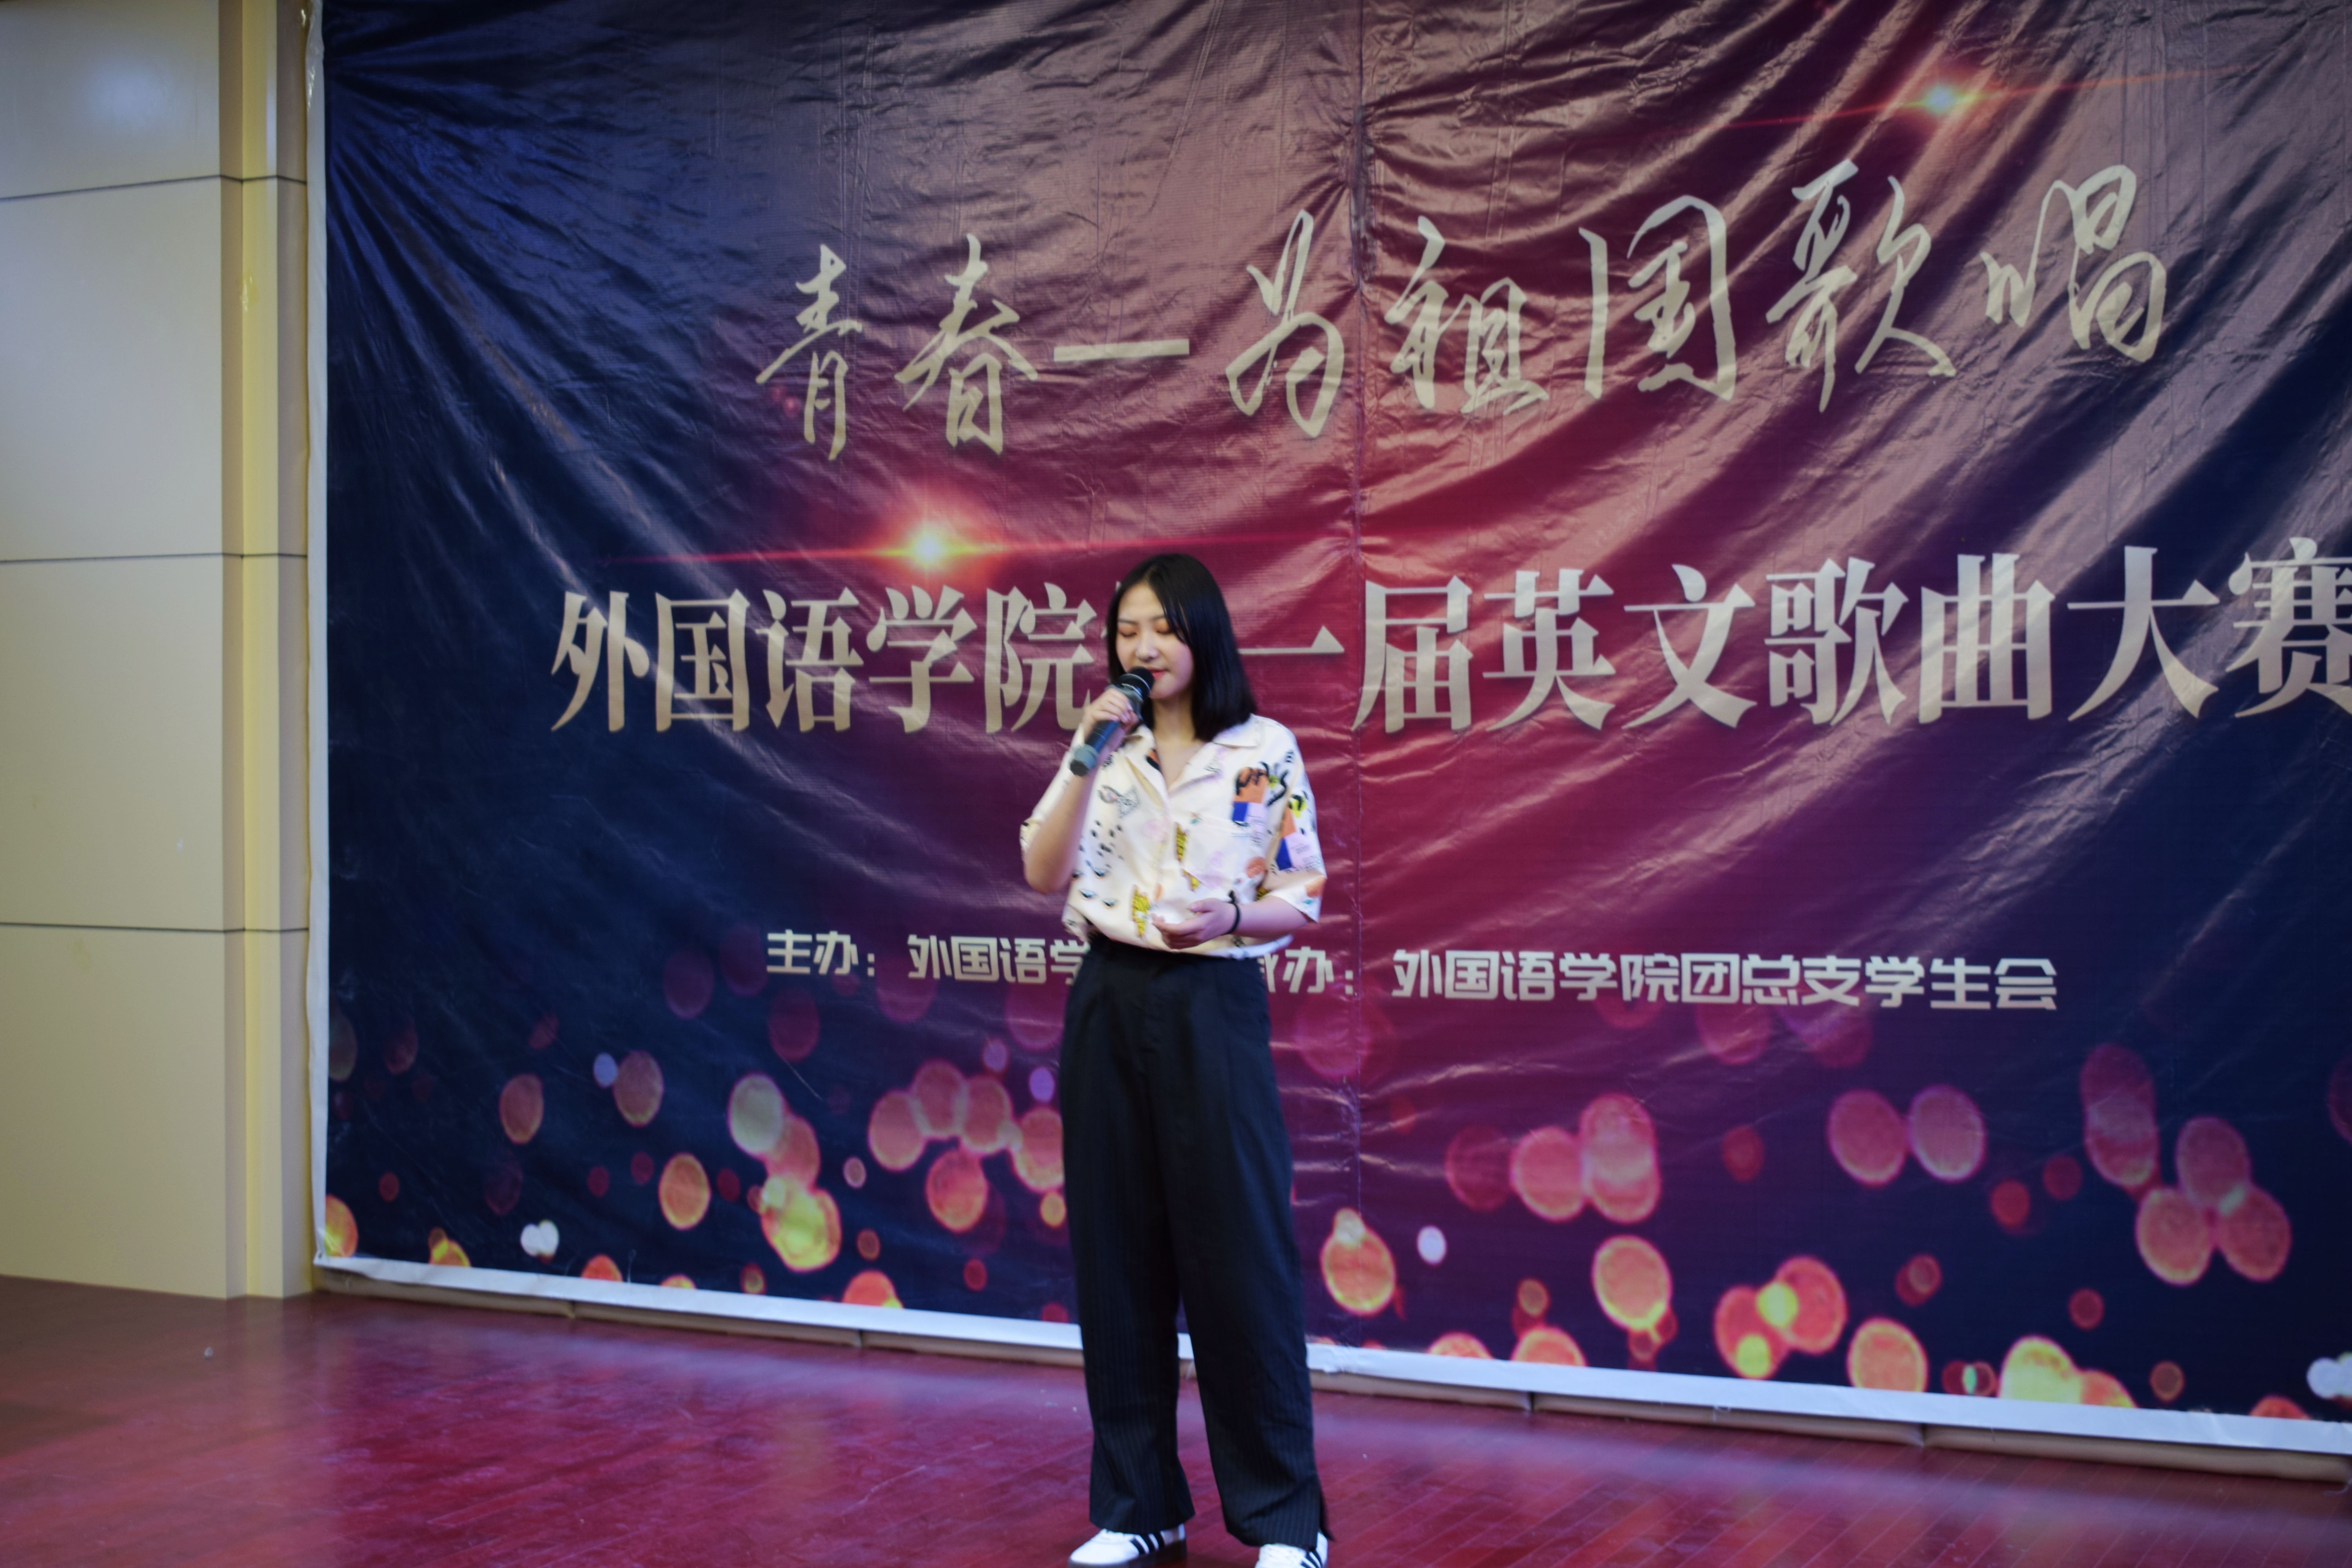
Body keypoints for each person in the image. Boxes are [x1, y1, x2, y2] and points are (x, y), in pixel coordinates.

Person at [1020, 554, 1332, 1568]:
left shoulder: (1262, 750)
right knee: (1115, 1252)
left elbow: (1304, 893)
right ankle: (1138, 1506)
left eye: (1162, 627)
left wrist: (1231, 917)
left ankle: (1287, 1522)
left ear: (1203, 633)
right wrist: (1082, 756)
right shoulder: (1106, 746)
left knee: (1238, 1258)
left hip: (1213, 999)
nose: (1143, 646)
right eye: (1127, 630)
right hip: (1109, 994)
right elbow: (1040, 868)